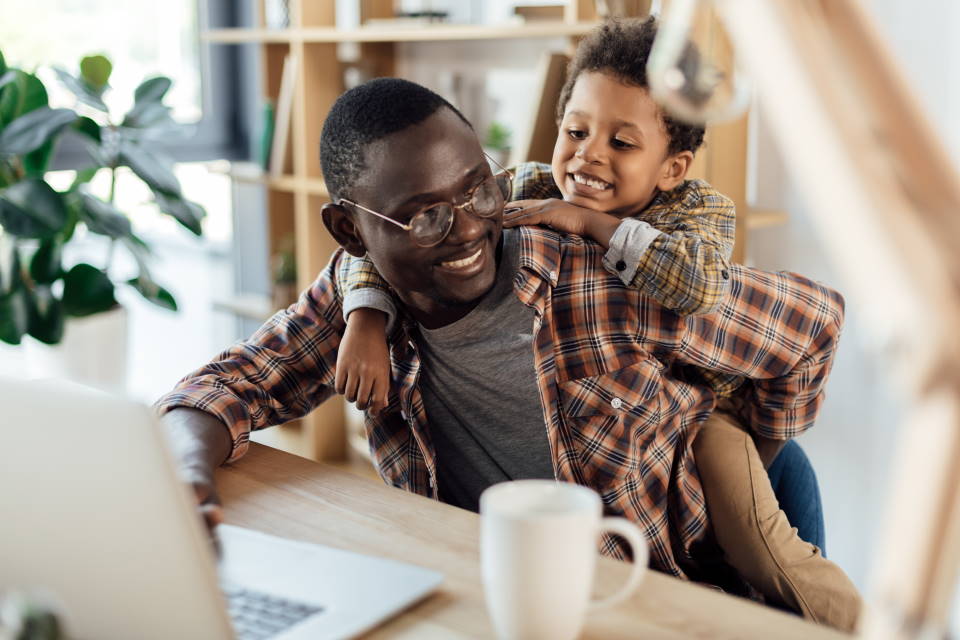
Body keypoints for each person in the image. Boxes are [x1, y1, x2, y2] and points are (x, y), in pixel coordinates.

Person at [157, 77, 858, 630]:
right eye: (425, 215)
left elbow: (814, 320)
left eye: (478, 188)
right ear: (350, 230)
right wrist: (185, 469)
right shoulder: (361, 304)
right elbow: (232, 381)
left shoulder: (593, 281)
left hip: (650, 599)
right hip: (490, 601)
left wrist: (762, 448)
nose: (467, 231)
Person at [330, 18, 860, 628]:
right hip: (637, 444)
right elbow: (407, 231)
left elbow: (696, 286)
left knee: (773, 564)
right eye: (576, 131)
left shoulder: (697, 210)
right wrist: (366, 316)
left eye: (622, 143)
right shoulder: (528, 186)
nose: (588, 155)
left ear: (672, 167)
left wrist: (591, 224)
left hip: (711, 419)